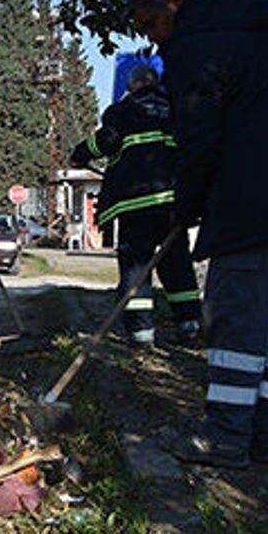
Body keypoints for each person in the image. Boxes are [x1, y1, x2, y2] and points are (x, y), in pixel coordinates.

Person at [130, 0, 268, 467]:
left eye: (150, 22)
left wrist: (186, 204)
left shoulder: (199, 45)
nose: (150, 36)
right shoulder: (264, 25)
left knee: (237, 322)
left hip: (253, 202)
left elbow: (199, 139)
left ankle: (227, 437)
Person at [69, 63, 201, 345]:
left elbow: (105, 140)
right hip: (172, 205)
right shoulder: (176, 109)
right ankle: (190, 325)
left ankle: (141, 333)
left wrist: (80, 154)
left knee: (135, 267)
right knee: (177, 263)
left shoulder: (123, 110)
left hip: (135, 204)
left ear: (132, 86)